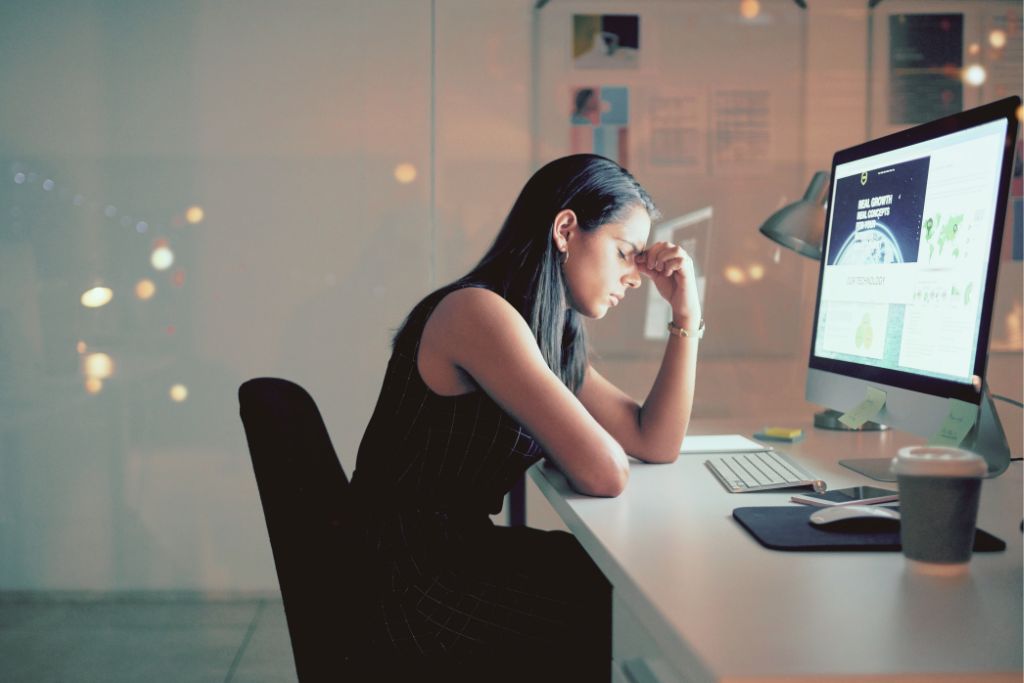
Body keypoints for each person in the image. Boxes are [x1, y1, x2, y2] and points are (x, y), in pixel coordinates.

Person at [344, 154, 702, 680]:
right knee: (628, 612)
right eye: (625, 253)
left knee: (628, 585)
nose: (634, 278)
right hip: (408, 583)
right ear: (565, 230)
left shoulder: (545, 333)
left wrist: (687, 316)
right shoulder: (477, 314)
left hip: (452, 556)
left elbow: (654, 441)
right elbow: (606, 473)